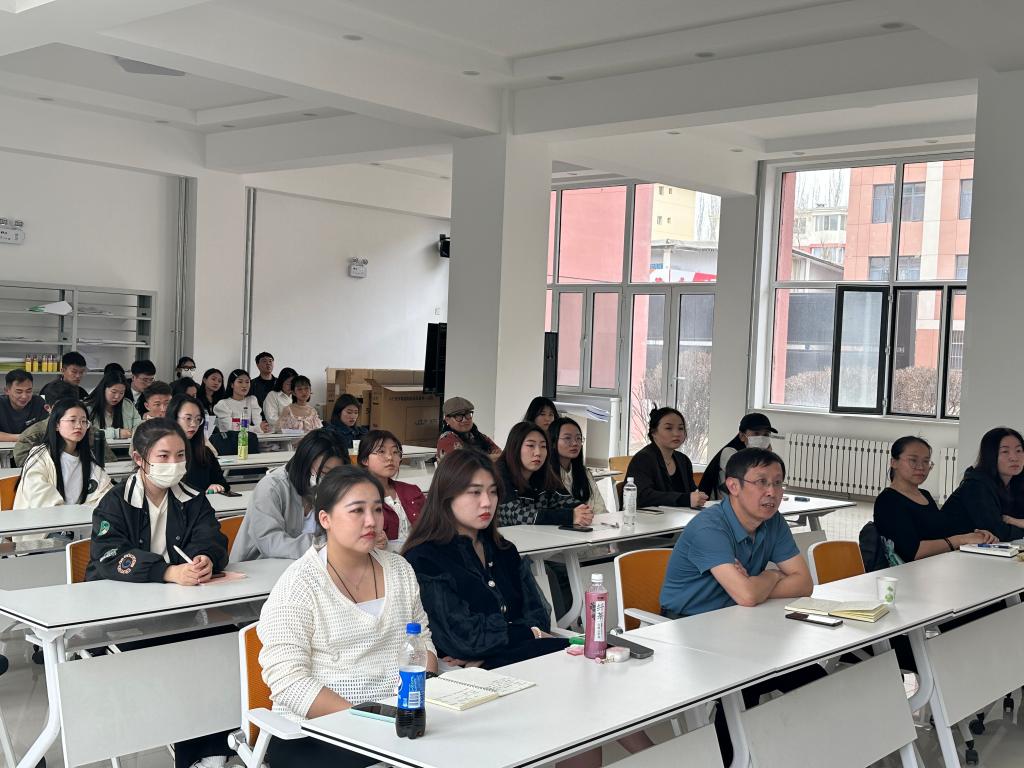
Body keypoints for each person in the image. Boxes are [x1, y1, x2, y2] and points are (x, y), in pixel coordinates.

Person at [257, 466, 437, 767]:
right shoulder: (299, 584)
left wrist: (421, 693)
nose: (371, 521)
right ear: (325, 519)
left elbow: (423, 641)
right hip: (317, 730)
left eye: (377, 509)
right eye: (357, 511)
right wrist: (366, 720)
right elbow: (288, 681)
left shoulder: (400, 570)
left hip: (399, 719)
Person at [659, 448, 821, 764]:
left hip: (739, 621)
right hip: (687, 627)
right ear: (733, 486)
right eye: (761, 482)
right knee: (747, 679)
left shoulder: (773, 522)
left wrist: (758, 583)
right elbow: (747, 595)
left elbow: (803, 583)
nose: (772, 492)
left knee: (813, 678)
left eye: (778, 483)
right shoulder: (710, 527)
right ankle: (730, 759)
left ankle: (792, 751)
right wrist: (772, 576)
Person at [85, 418, 231, 768]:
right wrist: (167, 572)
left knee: (225, 642)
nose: (174, 464)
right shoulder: (115, 503)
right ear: (139, 458)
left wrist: (205, 559)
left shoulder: (192, 499)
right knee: (180, 661)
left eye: (180, 455)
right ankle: (194, 754)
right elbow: (109, 556)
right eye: (163, 456)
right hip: (123, 615)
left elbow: (212, 537)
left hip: (177, 608)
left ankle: (216, 748)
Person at [402, 449, 566, 667]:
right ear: (447, 496)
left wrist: (493, 649)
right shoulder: (425, 559)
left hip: (523, 661)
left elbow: (539, 617)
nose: (487, 502)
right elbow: (465, 638)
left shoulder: (503, 550)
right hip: (476, 677)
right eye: (475, 492)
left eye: (493, 492)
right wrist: (530, 634)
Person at [230, 428, 351, 562]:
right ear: (304, 463)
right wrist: (323, 545)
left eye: (335, 474)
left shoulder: (333, 489)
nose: (330, 480)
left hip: (306, 565)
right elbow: (271, 544)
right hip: (256, 566)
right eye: (324, 472)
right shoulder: (272, 487)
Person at [874, 436, 998, 562]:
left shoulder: (925, 495)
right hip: (911, 571)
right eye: (913, 460)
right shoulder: (888, 501)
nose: (921, 467)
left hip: (937, 564)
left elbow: (941, 531)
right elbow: (913, 552)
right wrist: (961, 539)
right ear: (893, 462)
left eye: (926, 461)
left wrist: (976, 535)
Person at [14, 398, 113, 540]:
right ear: (56, 425)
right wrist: (71, 519)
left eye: (83, 421)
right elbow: (41, 498)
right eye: (72, 420)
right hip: (47, 529)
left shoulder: (88, 458)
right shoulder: (40, 457)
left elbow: (105, 493)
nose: (79, 426)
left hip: (80, 527)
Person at [495, 421, 587, 527]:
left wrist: (583, 511)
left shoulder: (544, 473)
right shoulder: (499, 473)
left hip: (534, 536)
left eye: (543, 446)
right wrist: (570, 516)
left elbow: (564, 501)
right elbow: (515, 515)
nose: (538, 452)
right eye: (531, 445)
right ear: (515, 447)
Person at [944, 426, 1024, 541]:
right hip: (951, 550)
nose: (1014, 458)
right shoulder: (976, 485)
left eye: (1019, 450)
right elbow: (998, 532)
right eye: (1005, 451)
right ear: (990, 455)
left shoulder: (1015, 483)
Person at [626, 407, 708, 509]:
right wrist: (684, 499)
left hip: (678, 516)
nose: (676, 434)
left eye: (680, 428)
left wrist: (699, 497)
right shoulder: (643, 459)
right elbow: (642, 496)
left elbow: (692, 491)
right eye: (669, 428)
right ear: (654, 432)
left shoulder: (683, 460)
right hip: (646, 517)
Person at [357, 430, 424, 543]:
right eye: (381, 451)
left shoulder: (412, 491)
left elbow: (431, 525)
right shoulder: (357, 497)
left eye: (395, 452)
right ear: (365, 460)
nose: (390, 457)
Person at [699, 413, 778, 500]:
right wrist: (766, 459)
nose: (761, 438)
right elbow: (750, 477)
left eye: (766, 434)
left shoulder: (760, 456)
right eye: (756, 433)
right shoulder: (729, 453)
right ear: (742, 436)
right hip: (718, 504)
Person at [169, 394, 229, 494]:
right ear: (174, 418)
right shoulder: (161, 454)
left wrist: (217, 487)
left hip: (202, 503)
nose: (193, 424)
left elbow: (223, 484)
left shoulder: (204, 452)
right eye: (188, 418)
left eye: (198, 419)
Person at [549, 417, 607, 516]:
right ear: (553, 442)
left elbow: (599, 507)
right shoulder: (547, 474)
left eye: (578, 438)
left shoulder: (584, 472)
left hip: (591, 523)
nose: (575, 443)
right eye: (567, 438)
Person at [436, 396, 501, 460]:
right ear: (447, 420)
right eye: (458, 416)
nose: (465, 420)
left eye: (467, 414)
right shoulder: (447, 439)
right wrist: (491, 457)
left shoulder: (479, 436)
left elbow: (501, 456)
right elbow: (466, 463)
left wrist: (486, 458)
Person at [87, 371, 141, 439]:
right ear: (103, 389)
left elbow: (140, 427)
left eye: (121, 393)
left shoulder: (127, 405)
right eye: (113, 392)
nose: (117, 396)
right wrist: (117, 433)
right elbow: (88, 433)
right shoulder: (88, 408)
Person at [213, 369, 269, 435]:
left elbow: (258, 421)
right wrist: (256, 428)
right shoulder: (222, 404)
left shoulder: (252, 400)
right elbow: (232, 427)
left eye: (247, 382)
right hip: (230, 439)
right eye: (240, 382)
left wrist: (263, 427)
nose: (244, 385)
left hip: (247, 437)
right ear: (232, 385)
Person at [0, 369, 46, 441]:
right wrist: (21, 437)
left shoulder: (38, 403)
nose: (24, 396)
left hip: (31, 446)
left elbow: (46, 429)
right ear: (7, 391)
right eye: (19, 392)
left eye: (29, 391)